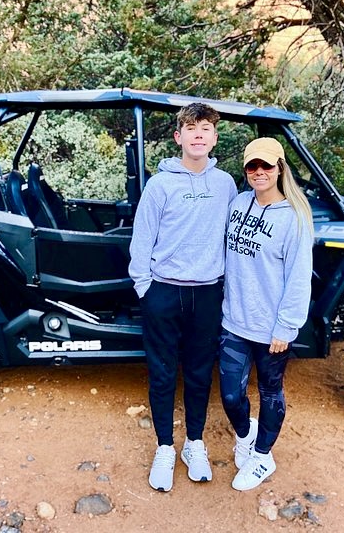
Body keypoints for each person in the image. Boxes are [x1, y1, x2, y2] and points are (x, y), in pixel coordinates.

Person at [129, 102, 238, 492]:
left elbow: (234, 238)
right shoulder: (160, 185)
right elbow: (141, 241)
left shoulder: (226, 184)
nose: (198, 135)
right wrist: (147, 290)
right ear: (178, 137)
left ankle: (194, 443)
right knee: (161, 374)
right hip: (165, 292)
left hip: (207, 293)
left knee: (197, 374)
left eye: (205, 128)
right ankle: (163, 447)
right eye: (191, 128)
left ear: (213, 138)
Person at [219, 137, 314, 491]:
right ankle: (246, 435)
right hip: (234, 321)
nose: (259, 172)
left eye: (267, 166)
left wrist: (286, 327)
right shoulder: (238, 204)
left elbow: (298, 277)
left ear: (280, 169)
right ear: (245, 171)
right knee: (230, 395)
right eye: (252, 166)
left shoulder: (294, 218)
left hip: (271, 328)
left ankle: (262, 456)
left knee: (270, 392)